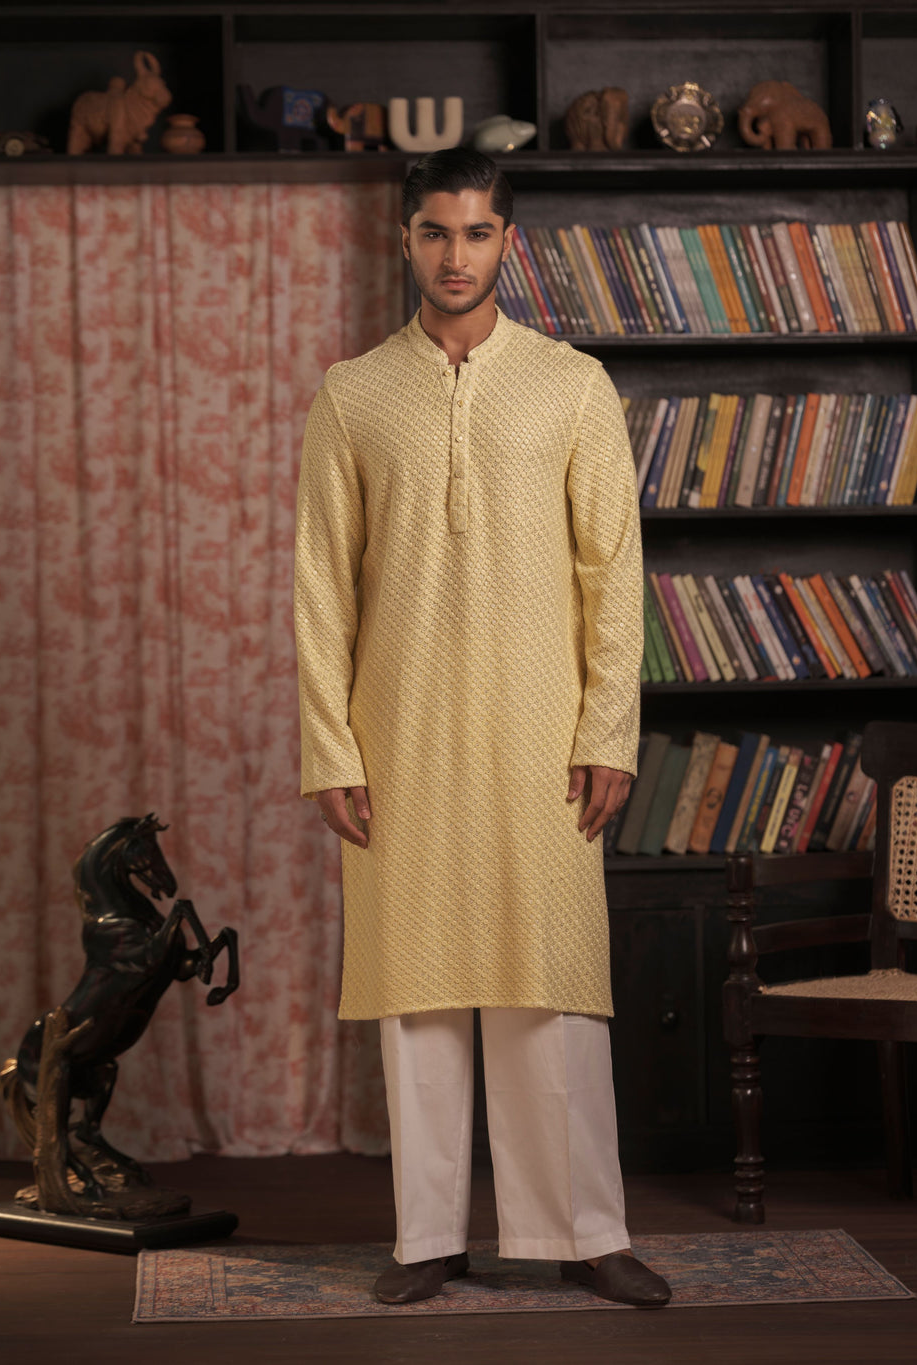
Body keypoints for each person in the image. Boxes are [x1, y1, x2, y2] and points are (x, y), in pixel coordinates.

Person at [294, 146, 669, 1308]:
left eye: (476, 233)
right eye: (434, 232)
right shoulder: (353, 393)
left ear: (508, 240)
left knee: (546, 984)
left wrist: (607, 731)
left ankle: (584, 1233)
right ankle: (425, 1239)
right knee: (416, 990)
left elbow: (614, 575)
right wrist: (330, 750)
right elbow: (321, 587)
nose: (454, 255)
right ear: (404, 239)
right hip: (397, 736)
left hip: (541, 738)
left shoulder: (572, 385)